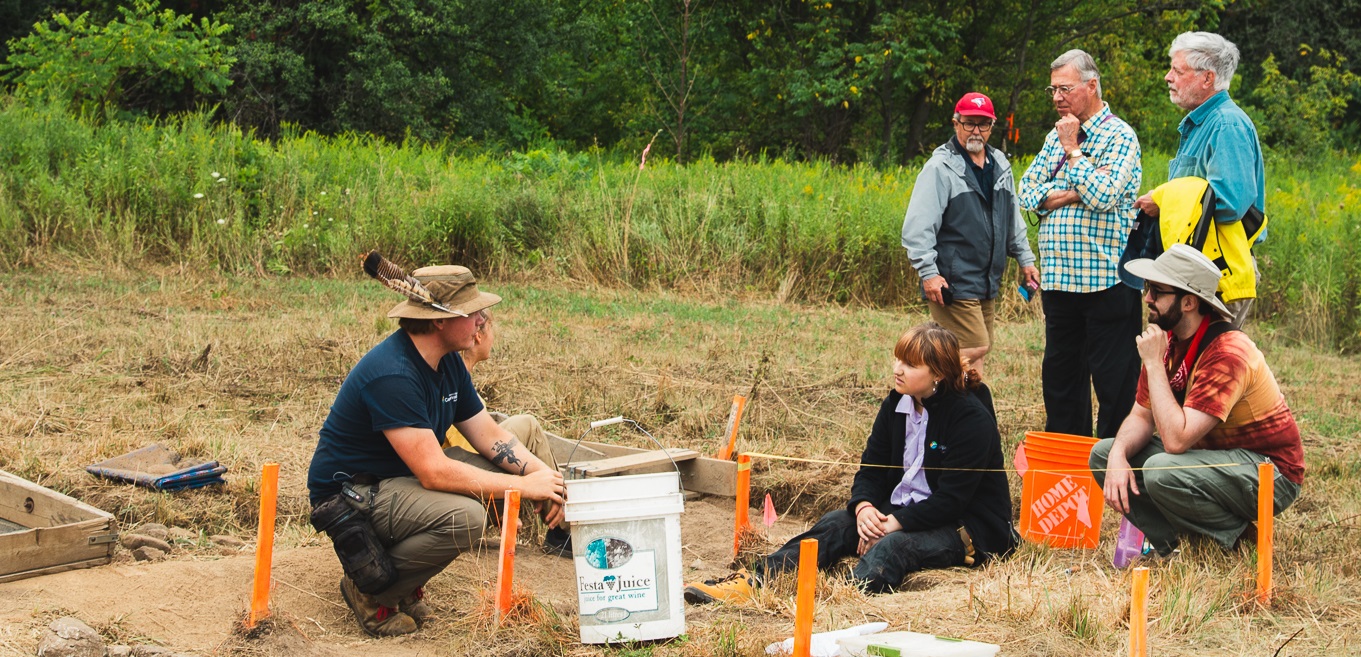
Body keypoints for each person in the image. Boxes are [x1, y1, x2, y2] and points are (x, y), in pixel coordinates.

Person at [307, 263, 566, 637]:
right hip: (354, 495)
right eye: (472, 311)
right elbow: (434, 471)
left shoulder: (446, 363)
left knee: (490, 488)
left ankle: (402, 578)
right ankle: (370, 589)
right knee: (466, 516)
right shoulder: (393, 374)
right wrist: (523, 488)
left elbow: (489, 435)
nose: (481, 320)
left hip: (397, 477)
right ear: (440, 321)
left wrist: (544, 477)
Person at [683, 323, 1017, 603]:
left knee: (893, 548)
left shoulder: (970, 419)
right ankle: (754, 582)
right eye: (898, 358)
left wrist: (890, 525)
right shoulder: (896, 404)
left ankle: (839, 600)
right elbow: (871, 470)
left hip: (963, 526)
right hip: (898, 511)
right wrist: (865, 510)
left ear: (938, 376)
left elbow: (951, 501)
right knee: (833, 523)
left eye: (910, 364)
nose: (897, 369)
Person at [1089, 244, 1304, 556]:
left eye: (1157, 291)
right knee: (1103, 453)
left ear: (1188, 302)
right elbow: (1140, 417)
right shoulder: (1169, 340)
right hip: (1212, 458)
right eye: (1149, 288)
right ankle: (1177, 548)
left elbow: (1176, 441)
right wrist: (1118, 455)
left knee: (1162, 470)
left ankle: (1236, 541)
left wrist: (1152, 364)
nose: (1147, 298)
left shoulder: (1228, 352)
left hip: (1270, 473)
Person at [1018, 49, 1143, 440]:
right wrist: (1075, 190)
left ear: (1092, 85)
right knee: (1061, 381)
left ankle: (1115, 465)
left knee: (1115, 383)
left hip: (1105, 281)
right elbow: (1026, 191)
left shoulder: (1119, 136)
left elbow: (1104, 194)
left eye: (1065, 88)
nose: (1057, 97)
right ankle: (1068, 462)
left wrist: (1073, 150)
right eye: (1052, 89)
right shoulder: (1051, 137)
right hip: (1059, 283)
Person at [1134, 32, 1266, 329]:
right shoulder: (1202, 122)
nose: (1168, 77)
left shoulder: (1226, 124)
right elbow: (1198, 193)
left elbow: (1230, 202)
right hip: (1195, 270)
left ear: (1208, 78)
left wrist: (1164, 199)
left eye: (1178, 71)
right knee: (1184, 367)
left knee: (1211, 366)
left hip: (1216, 272)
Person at [901, 92, 1040, 374]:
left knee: (976, 357)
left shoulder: (999, 164)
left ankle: (972, 415)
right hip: (952, 281)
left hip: (986, 278)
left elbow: (1012, 218)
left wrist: (1026, 260)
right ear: (956, 123)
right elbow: (917, 227)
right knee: (970, 348)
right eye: (969, 123)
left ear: (992, 126)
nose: (976, 130)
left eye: (983, 124)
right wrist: (928, 273)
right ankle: (918, 393)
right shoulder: (940, 168)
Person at [442, 307, 572, 556]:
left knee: (527, 425)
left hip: (458, 461)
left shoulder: (456, 373)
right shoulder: (453, 379)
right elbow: (462, 453)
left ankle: (557, 502)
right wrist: (507, 499)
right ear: (478, 335)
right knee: (527, 429)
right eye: (491, 329)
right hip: (455, 474)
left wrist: (543, 477)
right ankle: (562, 527)